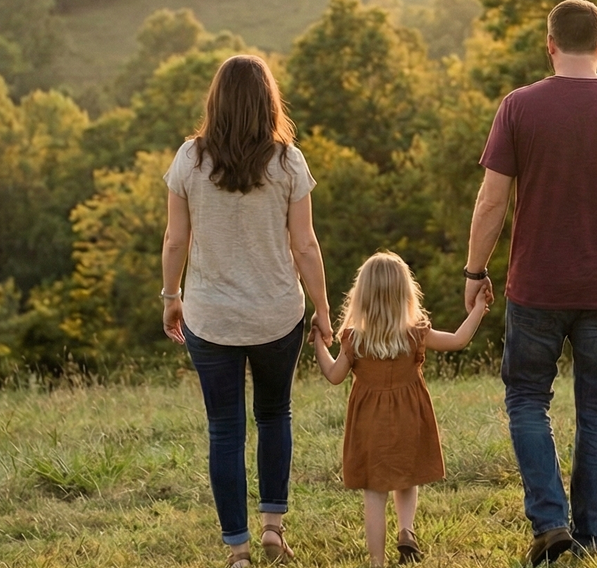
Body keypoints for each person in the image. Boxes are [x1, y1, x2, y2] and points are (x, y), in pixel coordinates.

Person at [463, 0, 597, 564]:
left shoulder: (518, 107)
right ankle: (590, 532)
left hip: (535, 285)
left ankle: (548, 521)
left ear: (550, 43)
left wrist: (474, 270)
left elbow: (492, 201)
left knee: (527, 400)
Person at [160, 54, 334, 568]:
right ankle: (273, 529)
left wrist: (172, 298)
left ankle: (237, 549)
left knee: (225, 429)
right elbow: (305, 245)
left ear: (215, 101)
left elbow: (175, 238)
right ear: (268, 102)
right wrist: (323, 310)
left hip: (210, 318)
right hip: (276, 315)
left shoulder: (189, 159)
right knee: (275, 413)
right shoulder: (287, 162)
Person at [312, 252, 495, 567]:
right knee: (407, 477)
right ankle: (406, 530)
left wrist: (318, 342)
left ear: (362, 295)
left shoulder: (354, 339)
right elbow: (457, 340)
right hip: (410, 416)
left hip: (369, 424)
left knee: (374, 493)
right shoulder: (415, 332)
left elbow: (334, 376)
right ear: (406, 293)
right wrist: (478, 308)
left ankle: (376, 562)